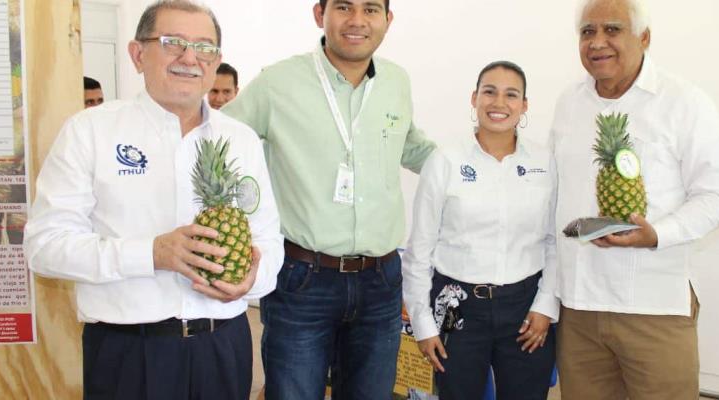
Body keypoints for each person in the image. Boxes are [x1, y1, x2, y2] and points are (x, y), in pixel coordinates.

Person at [24, 1, 283, 399]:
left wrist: (252, 280)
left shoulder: (241, 140)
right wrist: (152, 254)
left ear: (217, 62)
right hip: (128, 351)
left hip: (223, 347)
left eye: (205, 47)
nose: (189, 57)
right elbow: (45, 247)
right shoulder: (90, 131)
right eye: (172, 42)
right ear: (137, 53)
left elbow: (268, 240)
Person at [221, 0, 436, 398]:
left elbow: (413, 148)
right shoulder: (277, 83)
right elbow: (221, 143)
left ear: (387, 20)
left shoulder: (396, 81)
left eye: (371, 9)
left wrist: (480, 166)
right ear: (320, 15)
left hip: (381, 281)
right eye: (344, 7)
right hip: (303, 280)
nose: (357, 20)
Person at [550, 0, 719, 399]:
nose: (597, 42)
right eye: (587, 32)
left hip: (655, 307)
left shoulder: (685, 102)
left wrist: (656, 234)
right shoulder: (569, 104)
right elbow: (555, 199)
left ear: (645, 37)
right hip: (580, 308)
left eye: (612, 30)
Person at [402, 61, 558, 400]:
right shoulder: (445, 160)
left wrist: (546, 305)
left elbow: (554, 241)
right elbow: (420, 250)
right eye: (489, 92)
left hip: (525, 309)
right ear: (474, 99)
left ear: (524, 105)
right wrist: (423, 323)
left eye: (511, 94)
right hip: (458, 309)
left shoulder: (545, 162)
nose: (498, 103)